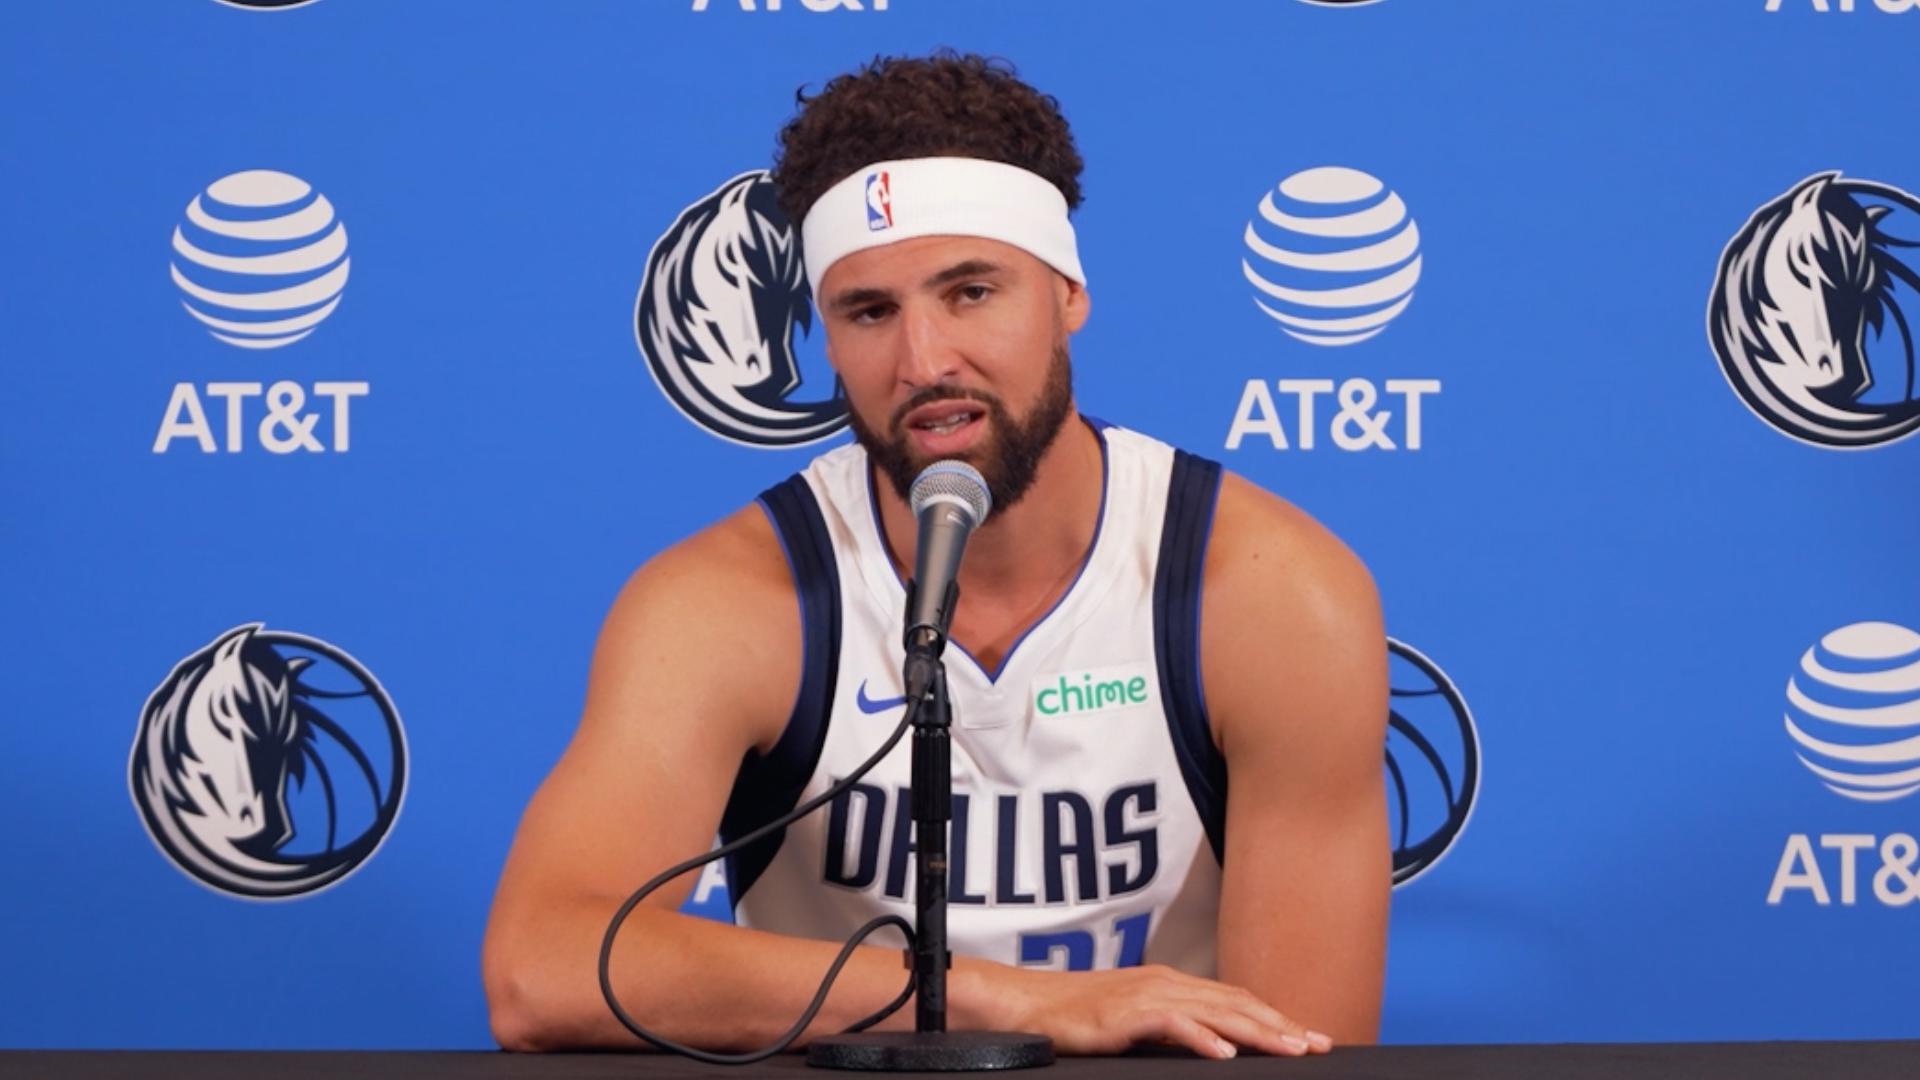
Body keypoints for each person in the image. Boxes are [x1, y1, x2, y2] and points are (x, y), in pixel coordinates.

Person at [482, 52, 1389, 1061]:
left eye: (969, 293)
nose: (924, 362)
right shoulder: (730, 601)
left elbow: (1304, 1048)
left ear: (1067, 293)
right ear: (822, 335)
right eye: (870, 311)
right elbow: (544, 969)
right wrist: (1015, 1002)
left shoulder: (1266, 594)